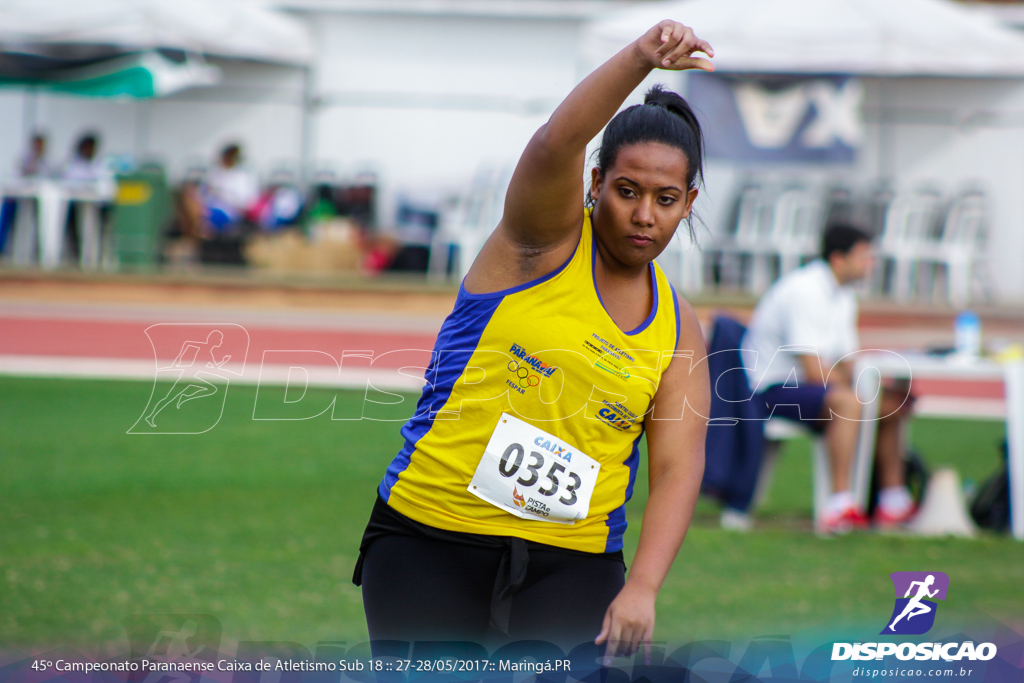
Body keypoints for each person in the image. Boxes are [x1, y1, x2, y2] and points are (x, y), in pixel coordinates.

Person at [353, 20, 712, 660]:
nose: (643, 215)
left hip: (572, 565)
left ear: (686, 205)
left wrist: (645, 587)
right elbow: (555, 143)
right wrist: (639, 58)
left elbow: (678, 466)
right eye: (627, 191)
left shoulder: (681, 330)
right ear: (597, 183)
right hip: (432, 535)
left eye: (664, 199)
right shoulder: (539, 244)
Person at [740, 225, 916, 533]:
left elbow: (847, 362)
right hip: (770, 388)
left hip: (805, 387)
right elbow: (813, 369)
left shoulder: (844, 296)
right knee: (847, 403)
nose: (870, 264)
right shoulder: (804, 290)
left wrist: (871, 395)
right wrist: (859, 396)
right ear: (838, 259)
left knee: (890, 402)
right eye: (863, 257)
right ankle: (839, 504)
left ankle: (892, 501)